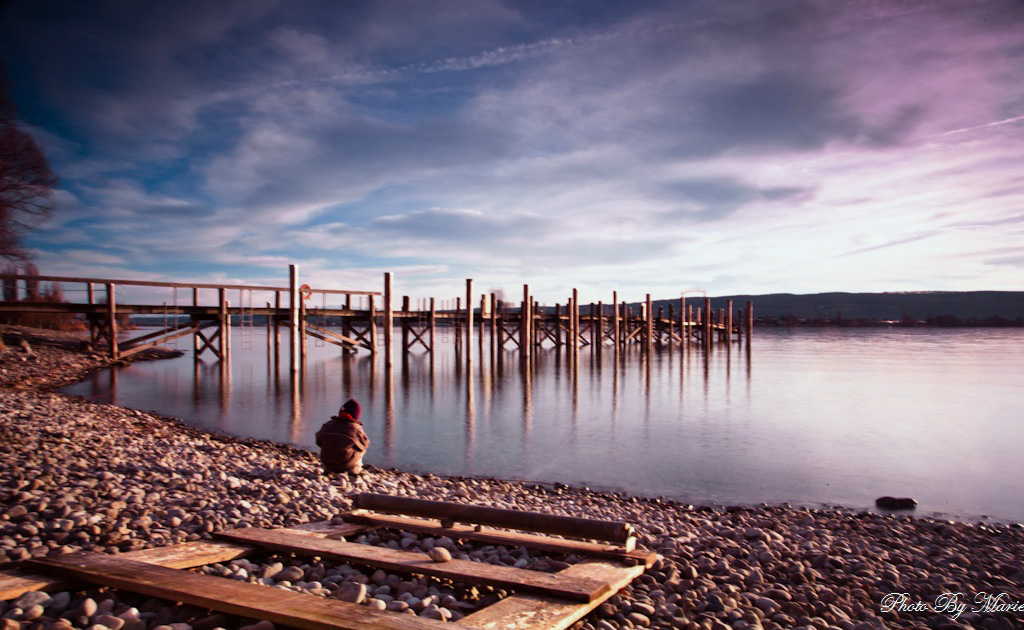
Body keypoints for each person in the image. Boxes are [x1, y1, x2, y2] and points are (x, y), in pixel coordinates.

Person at [315, 399, 370, 475]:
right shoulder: (356, 428)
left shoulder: (328, 424)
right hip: (345, 465)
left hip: (327, 463)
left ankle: (329, 469)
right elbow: (365, 445)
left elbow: (318, 441)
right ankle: (355, 469)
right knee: (361, 448)